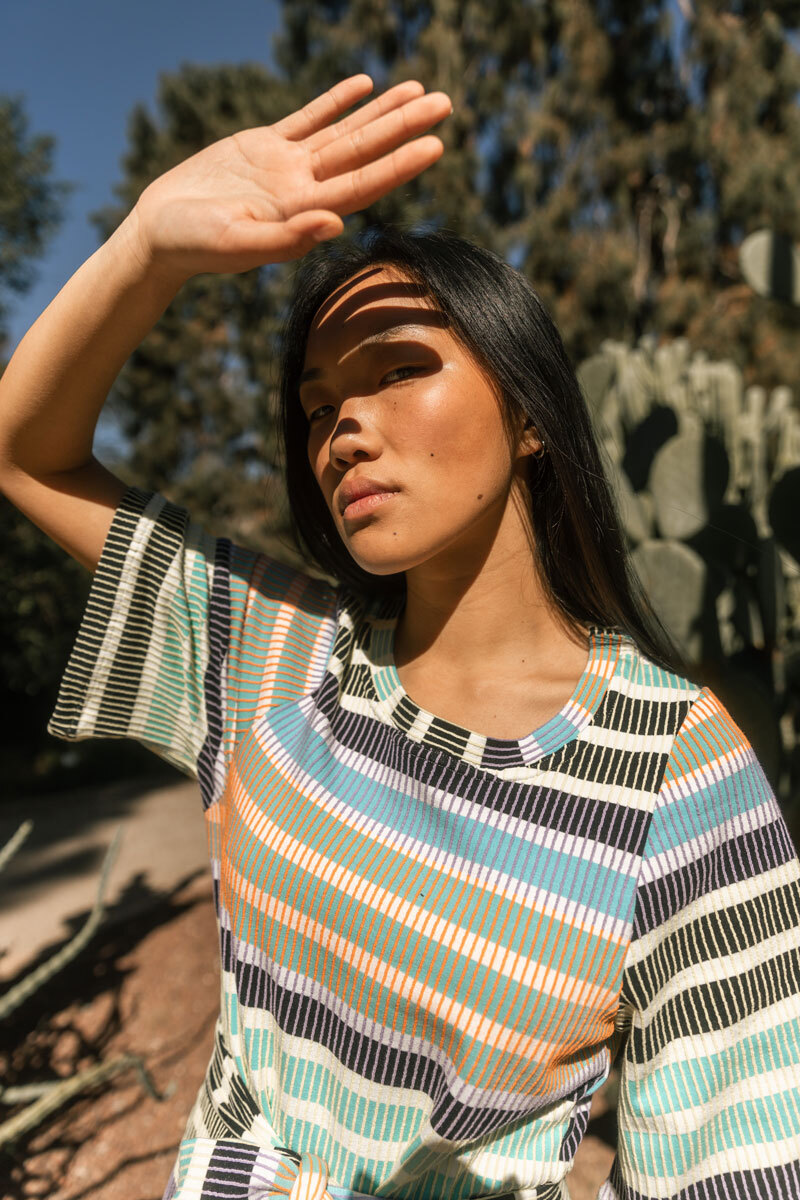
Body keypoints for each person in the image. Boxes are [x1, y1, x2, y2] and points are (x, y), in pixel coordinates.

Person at [1, 73, 799, 1200]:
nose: (344, 429)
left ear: (526, 411)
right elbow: (25, 452)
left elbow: (736, 1165)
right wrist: (149, 247)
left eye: (397, 369)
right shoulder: (275, 656)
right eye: (320, 405)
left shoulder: (679, 772)